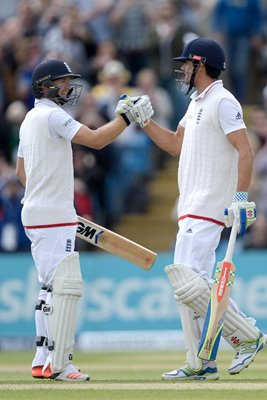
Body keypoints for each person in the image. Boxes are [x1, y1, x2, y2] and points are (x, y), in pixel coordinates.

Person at [125, 37, 266, 380]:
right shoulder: (195, 102)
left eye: (187, 63)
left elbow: (244, 150)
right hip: (190, 205)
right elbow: (174, 144)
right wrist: (145, 121)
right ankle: (203, 361)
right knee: (193, 287)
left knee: (188, 284)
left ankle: (247, 337)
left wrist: (239, 198)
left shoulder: (223, 101)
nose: (183, 69)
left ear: (200, 65)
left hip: (209, 205)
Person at [15, 58, 153, 382]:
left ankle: (44, 358)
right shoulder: (52, 115)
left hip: (37, 212)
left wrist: (47, 196)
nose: (67, 87)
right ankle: (60, 363)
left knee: (50, 287)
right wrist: (126, 117)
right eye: (61, 82)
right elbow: (97, 139)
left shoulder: (29, 119)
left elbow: (23, 172)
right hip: (52, 215)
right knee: (65, 287)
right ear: (45, 85)